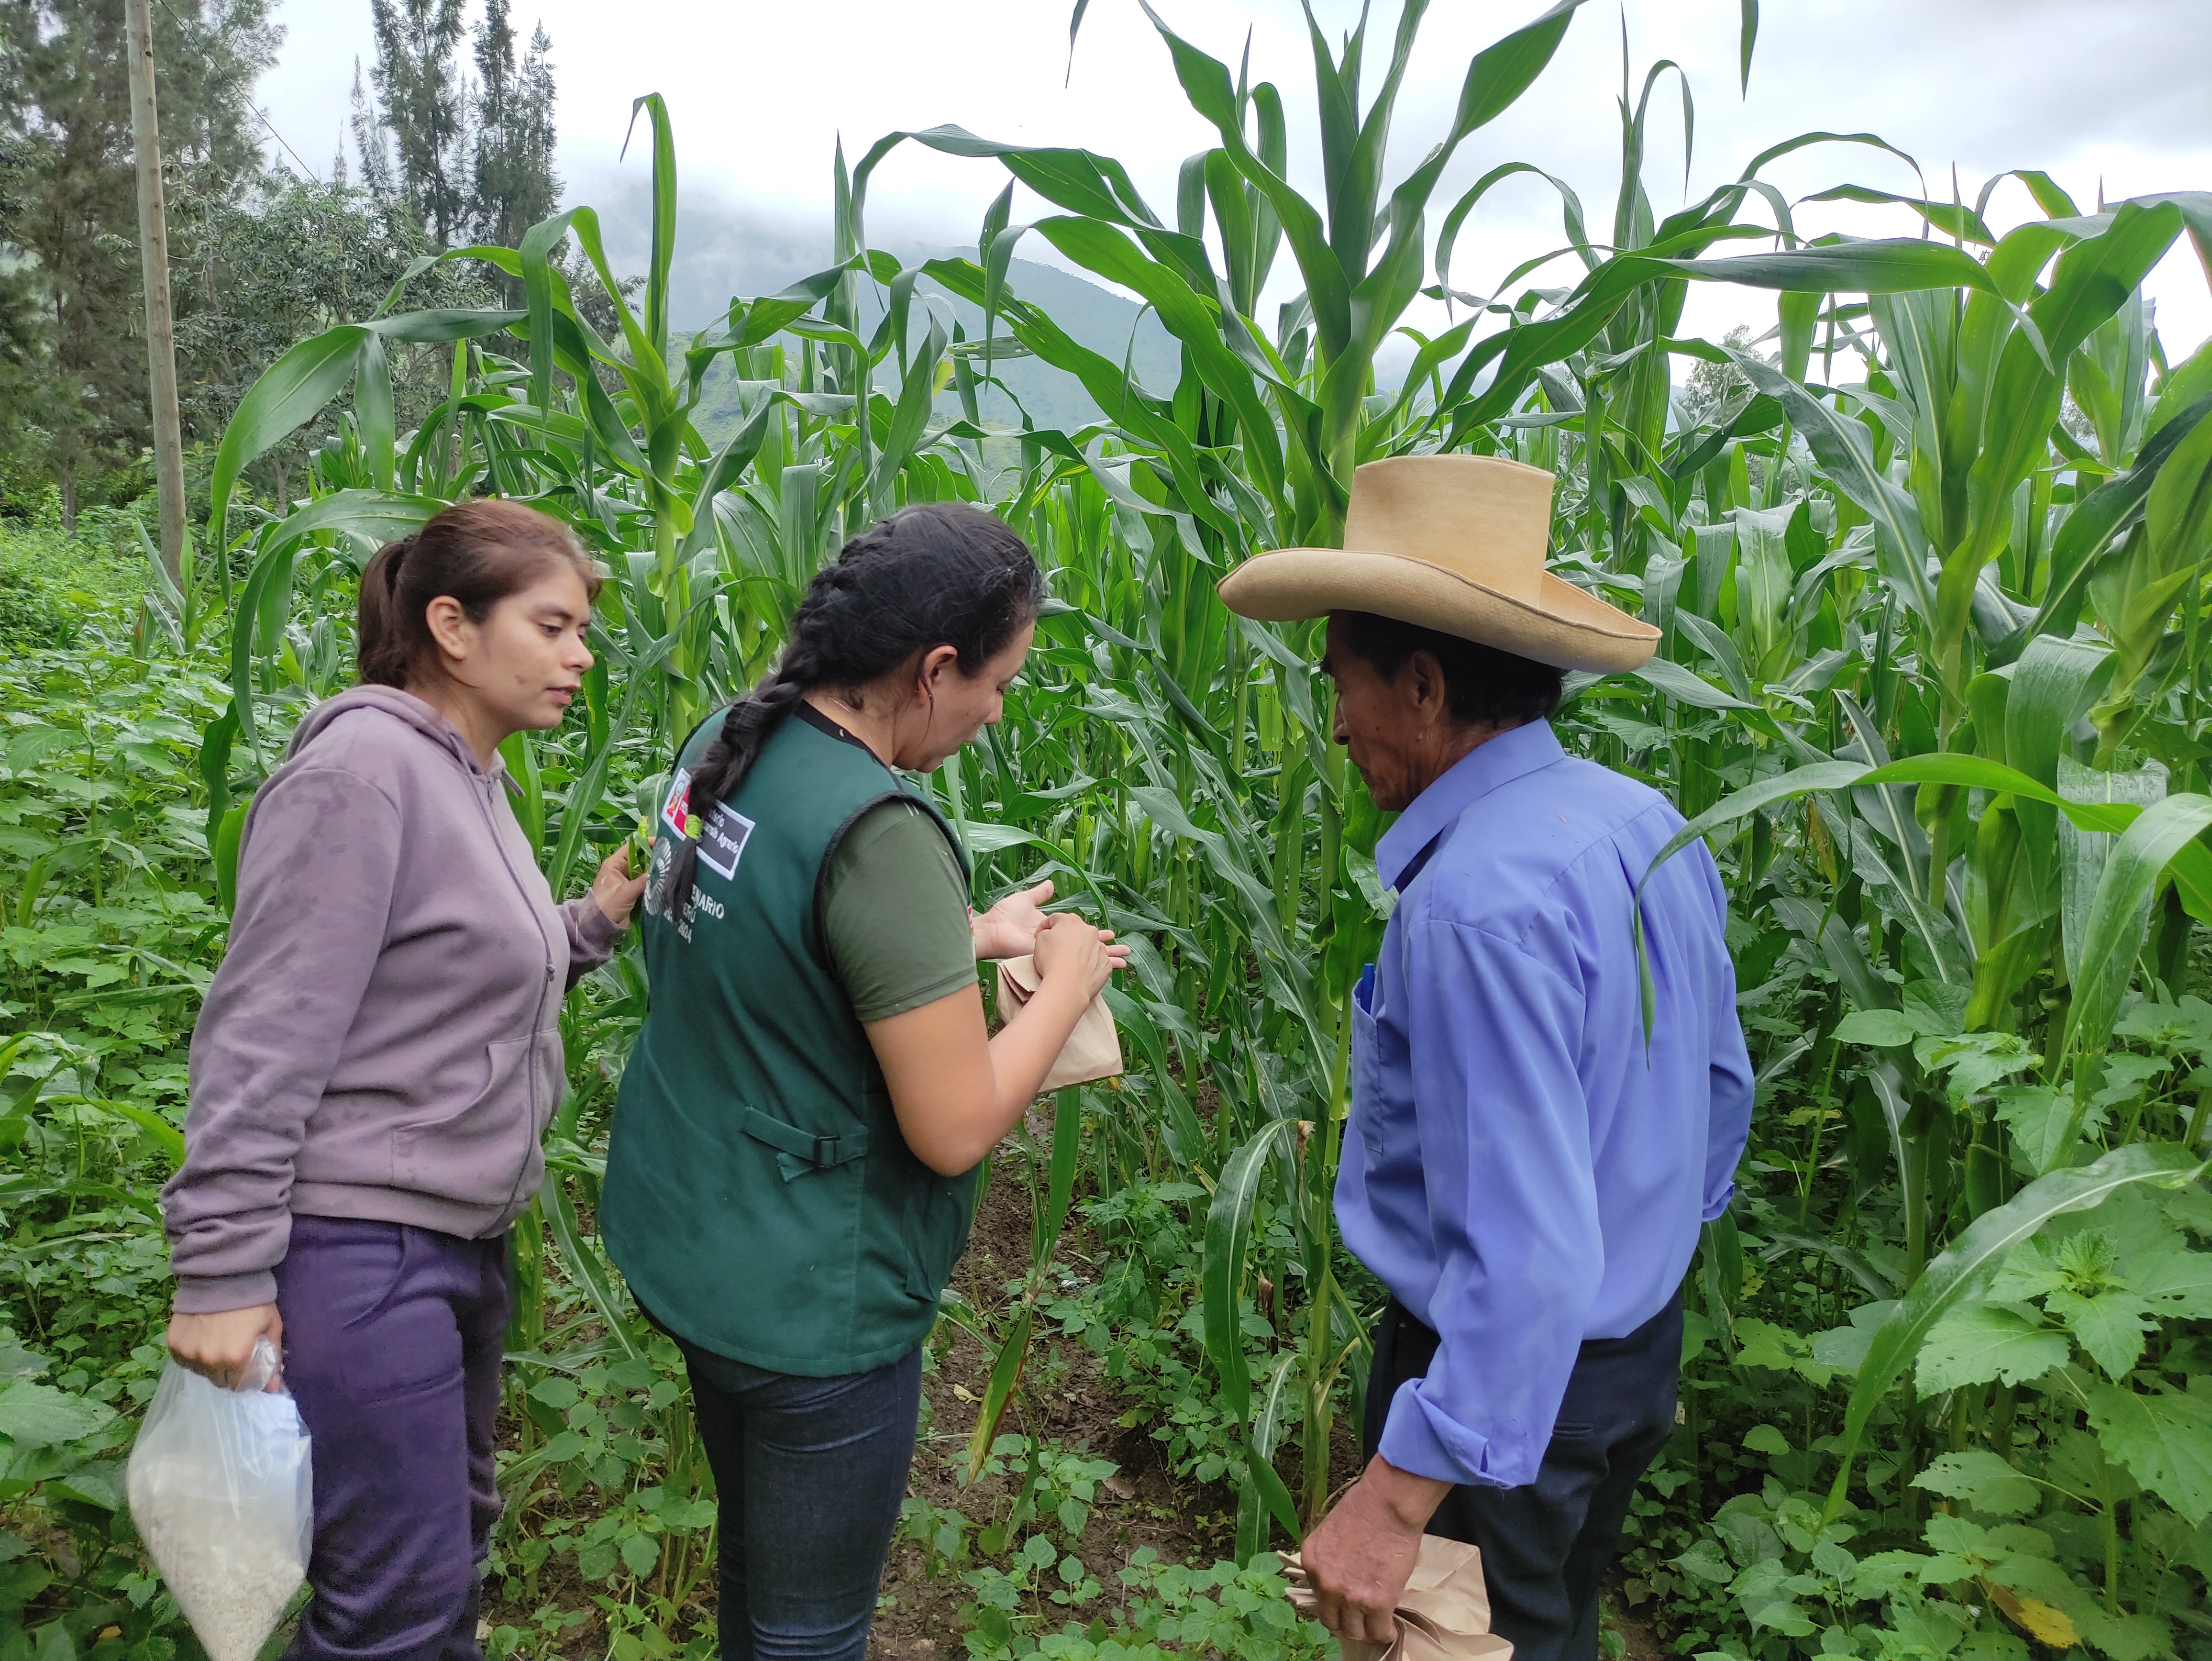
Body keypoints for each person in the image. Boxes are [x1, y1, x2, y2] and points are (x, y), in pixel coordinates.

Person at [1218, 454, 1754, 1657]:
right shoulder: (1639, 820)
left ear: (1420, 682)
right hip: (1624, 1361)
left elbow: (1522, 1254)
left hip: (1504, 1396)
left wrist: (1396, 1495)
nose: (1339, 723)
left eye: (1342, 686)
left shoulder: (1470, 904)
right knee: (1551, 1629)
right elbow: (1718, 1092)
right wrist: (1638, 1257)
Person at [599, 500, 1124, 1660]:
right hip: (802, 1303)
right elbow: (954, 1125)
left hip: (688, 1231)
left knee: (754, 1575)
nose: (995, 712)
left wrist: (957, 937)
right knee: (811, 1634)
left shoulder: (722, 738)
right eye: (996, 683)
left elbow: (722, 925)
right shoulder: (880, 830)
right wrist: (1071, 978)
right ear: (933, 669)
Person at [161, 498, 649, 1661]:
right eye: (554, 623)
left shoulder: (470, 774)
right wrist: (218, 1266)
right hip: (362, 1252)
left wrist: (589, 924)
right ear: (452, 625)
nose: (582, 653)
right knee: (396, 1609)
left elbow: (447, 979)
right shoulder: (364, 772)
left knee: (433, 1568)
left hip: (454, 1245)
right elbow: (262, 1031)